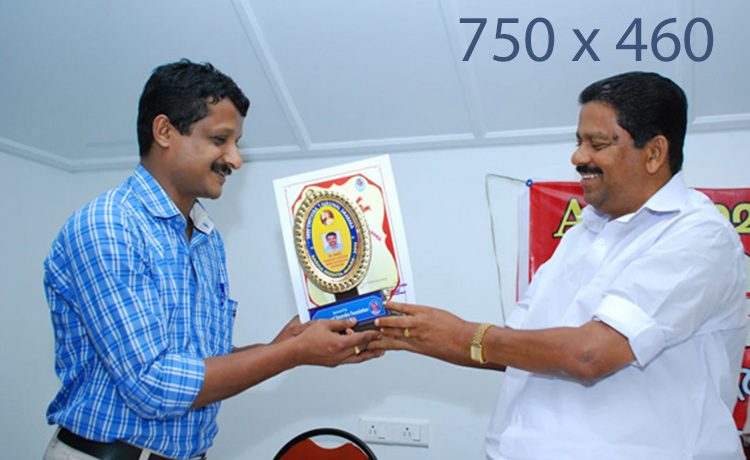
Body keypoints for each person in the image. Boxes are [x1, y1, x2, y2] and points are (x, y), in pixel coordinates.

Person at [373, 72, 748, 459]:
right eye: (579, 142)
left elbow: (590, 355)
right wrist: (410, 334)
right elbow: (515, 345)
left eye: (597, 144)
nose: (578, 157)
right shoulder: (581, 234)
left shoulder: (699, 236)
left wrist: (463, 334)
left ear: (654, 153)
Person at [42, 60, 381, 460]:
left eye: (236, 143)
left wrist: (281, 345)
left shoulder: (205, 236)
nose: (235, 160)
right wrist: (292, 354)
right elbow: (153, 385)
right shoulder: (109, 226)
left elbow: (195, 362)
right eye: (221, 139)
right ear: (164, 132)